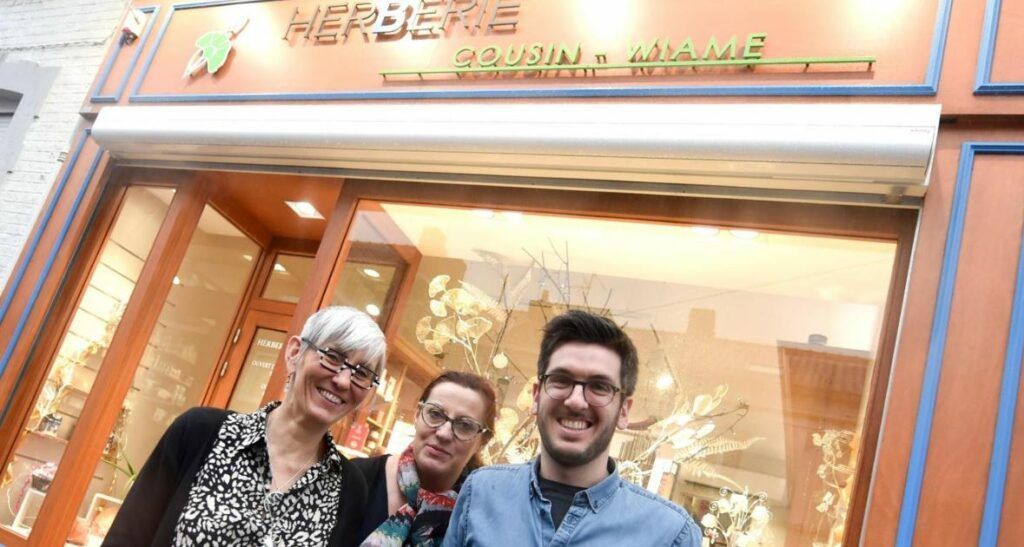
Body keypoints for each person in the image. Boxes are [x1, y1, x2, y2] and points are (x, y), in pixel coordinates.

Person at [104, 306, 387, 547]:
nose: (342, 380)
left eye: (362, 373)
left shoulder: (348, 489)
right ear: (294, 353)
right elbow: (127, 538)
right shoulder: (201, 432)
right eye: (333, 356)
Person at [442, 310, 702, 547]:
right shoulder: (482, 491)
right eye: (560, 380)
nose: (576, 400)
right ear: (536, 396)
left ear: (624, 410)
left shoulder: (670, 534)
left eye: (600, 386)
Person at [355, 371, 497, 546]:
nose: (444, 433)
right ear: (417, 415)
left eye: (465, 425)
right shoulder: (353, 479)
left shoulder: (479, 521)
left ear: (482, 441)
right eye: (435, 414)